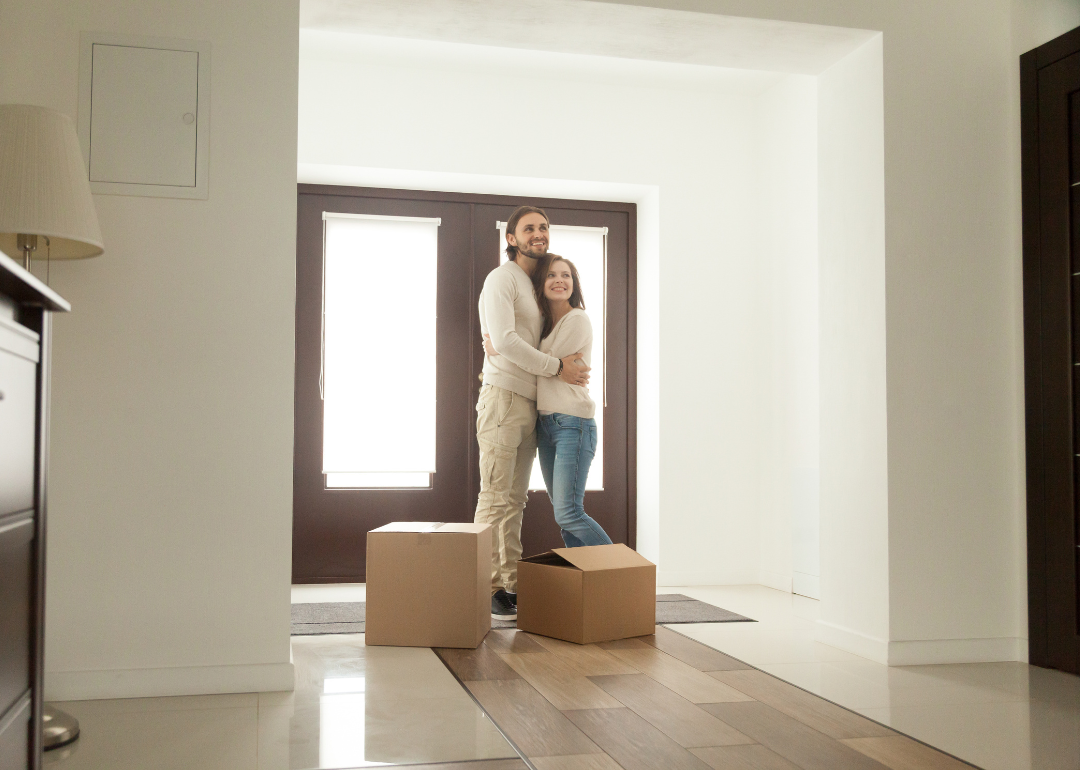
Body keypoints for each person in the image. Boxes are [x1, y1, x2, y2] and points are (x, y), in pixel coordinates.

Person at [475, 206, 590, 621]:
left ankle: (510, 584)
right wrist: (558, 367)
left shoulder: (533, 284)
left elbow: (512, 338)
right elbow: (504, 340)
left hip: (529, 403)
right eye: (529, 229)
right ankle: (487, 588)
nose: (538, 234)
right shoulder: (501, 279)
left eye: (543, 228)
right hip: (503, 399)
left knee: (515, 500)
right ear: (512, 238)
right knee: (495, 497)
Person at [532, 255, 613, 548]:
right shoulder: (543, 326)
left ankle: (623, 579)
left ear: (574, 284)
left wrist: (505, 347)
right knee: (563, 517)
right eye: (551, 275)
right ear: (541, 284)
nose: (559, 281)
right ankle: (585, 588)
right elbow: (546, 361)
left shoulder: (577, 318)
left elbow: (534, 362)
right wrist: (552, 362)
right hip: (546, 425)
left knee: (570, 514)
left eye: (566, 275)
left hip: (572, 424)